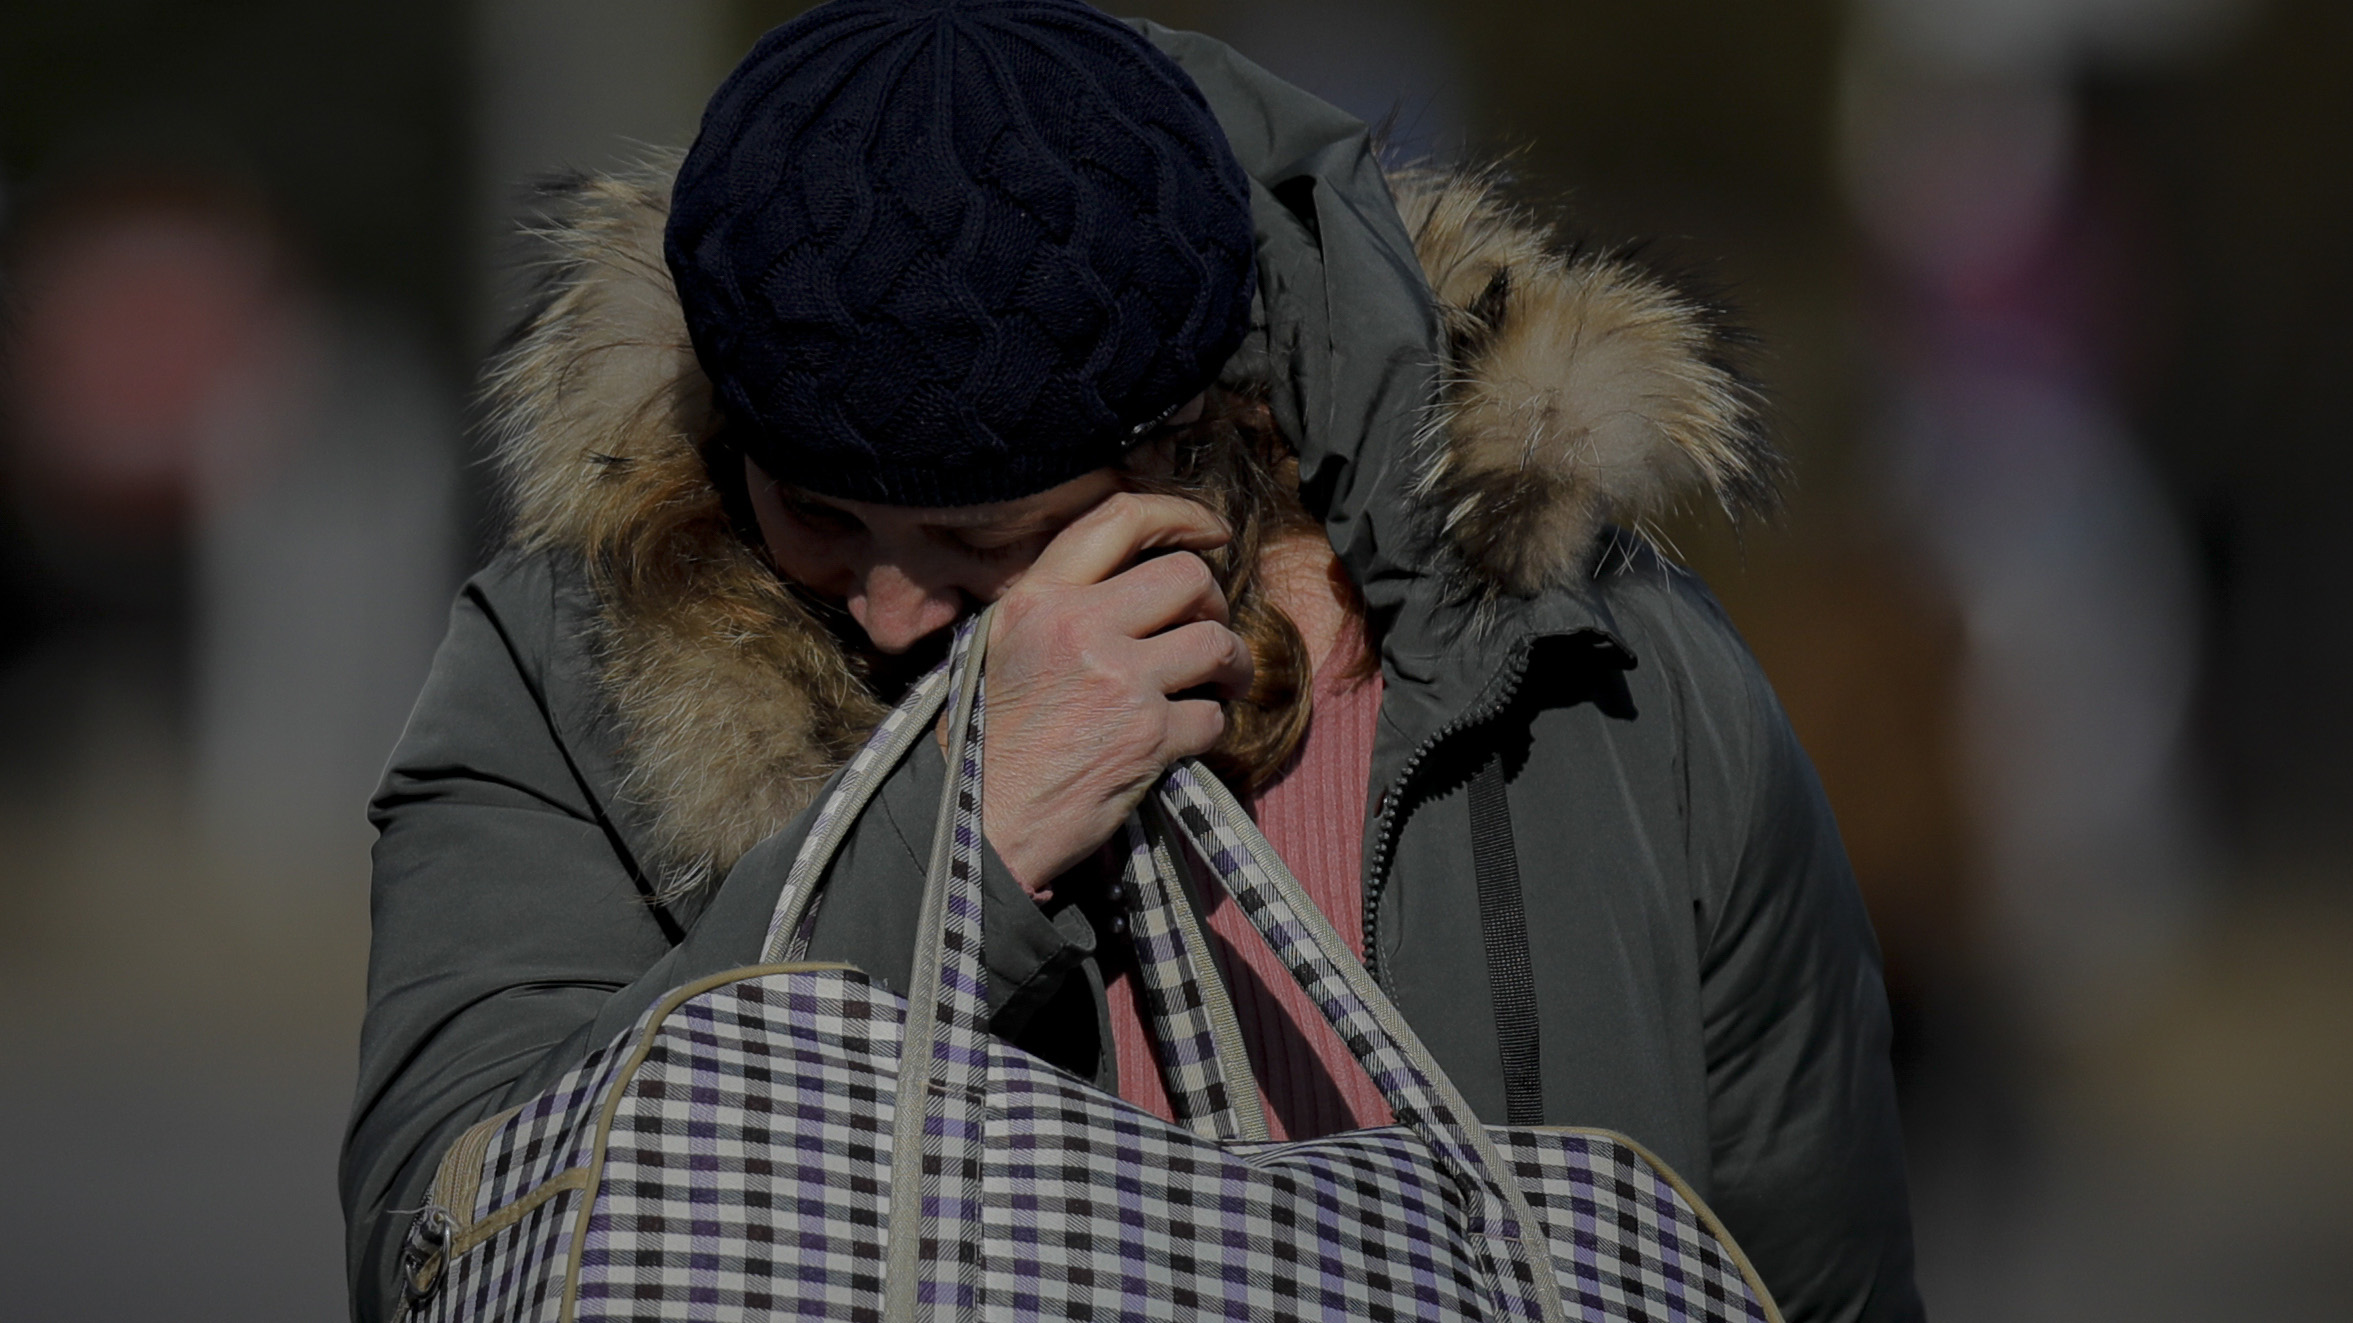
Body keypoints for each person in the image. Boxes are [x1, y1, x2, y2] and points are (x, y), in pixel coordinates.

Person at [342, 3, 1923, 1320]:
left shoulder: (1590, 671)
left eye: (981, 544)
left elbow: (1807, 1270)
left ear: (1195, 438)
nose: (892, 611)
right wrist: (954, 851)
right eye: (817, 515)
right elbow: (448, 1251)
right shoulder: (568, 662)